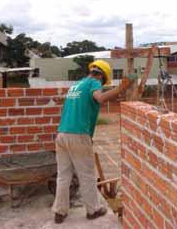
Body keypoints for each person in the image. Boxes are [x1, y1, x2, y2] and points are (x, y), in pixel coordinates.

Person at [52, 60, 136, 224]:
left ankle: (59, 212)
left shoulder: (76, 86)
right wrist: (121, 88)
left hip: (62, 135)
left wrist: (116, 93)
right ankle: (93, 210)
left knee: (63, 176)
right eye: (103, 82)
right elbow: (99, 98)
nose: (102, 85)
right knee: (87, 175)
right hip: (79, 135)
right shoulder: (93, 83)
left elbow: (87, 103)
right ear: (102, 77)